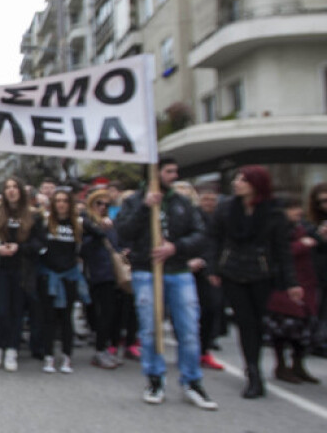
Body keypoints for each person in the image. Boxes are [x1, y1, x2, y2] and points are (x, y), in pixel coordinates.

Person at [116, 159, 217, 410]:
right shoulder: (133, 202)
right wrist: (144, 207)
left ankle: (192, 381)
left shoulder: (182, 202)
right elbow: (123, 233)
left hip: (178, 271)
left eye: (175, 170)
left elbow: (200, 235)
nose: (175, 174)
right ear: (154, 173)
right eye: (169, 170)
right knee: (150, 329)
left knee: (188, 329)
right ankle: (154, 379)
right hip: (146, 272)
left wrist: (176, 247)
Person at [208, 166, 302, 399]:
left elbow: (282, 251)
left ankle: (254, 365)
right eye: (237, 178)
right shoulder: (226, 209)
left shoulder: (273, 213)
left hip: (262, 275)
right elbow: (214, 240)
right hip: (232, 273)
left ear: (256, 184)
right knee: (245, 322)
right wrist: (214, 268)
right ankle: (253, 373)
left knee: (258, 323)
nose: (237, 183)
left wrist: (291, 282)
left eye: (243, 179)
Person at [0, 177, 46, 372]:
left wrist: (20, 247)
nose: (11, 191)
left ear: (21, 191)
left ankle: (12, 349)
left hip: (22, 270)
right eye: (7, 187)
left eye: (14, 187)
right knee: (0, 311)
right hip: (0, 269)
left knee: (17, 312)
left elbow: (39, 244)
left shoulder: (34, 216)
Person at [266, 198, 319, 384]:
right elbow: (277, 252)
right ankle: (280, 365)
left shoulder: (303, 227)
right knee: (283, 327)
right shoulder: (277, 228)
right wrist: (301, 245)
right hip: (284, 283)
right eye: (292, 207)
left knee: (305, 325)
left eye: (298, 206)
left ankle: (298, 364)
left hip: (307, 283)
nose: (297, 211)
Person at [38, 188, 90, 374]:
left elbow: (93, 238)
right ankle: (49, 356)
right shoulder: (46, 222)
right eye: (58, 200)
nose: (61, 204)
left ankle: (67, 357)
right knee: (49, 318)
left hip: (69, 276)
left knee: (67, 318)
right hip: (49, 275)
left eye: (65, 201)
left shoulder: (78, 224)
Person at [81, 188, 122, 369]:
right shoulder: (87, 222)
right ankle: (99, 350)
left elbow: (116, 244)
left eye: (106, 204)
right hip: (96, 273)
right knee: (102, 313)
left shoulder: (109, 224)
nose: (103, 207)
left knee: (111, 313)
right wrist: (99, 231)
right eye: (99, 203)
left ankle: (104, 347)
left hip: (111, 272)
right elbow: (83, 248)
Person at [194, 185, 226, 370]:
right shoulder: (194, 216)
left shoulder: (221, 219)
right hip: (194, 269)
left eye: (212, 200)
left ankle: (204, 349)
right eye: (205, 199)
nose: (209, 203)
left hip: (214, 270)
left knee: (212, 309)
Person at [307, 183, 327, 357]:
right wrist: (320, 237)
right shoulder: (312, 225)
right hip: (319, 274)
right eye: (321, 201)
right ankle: (317, 341)